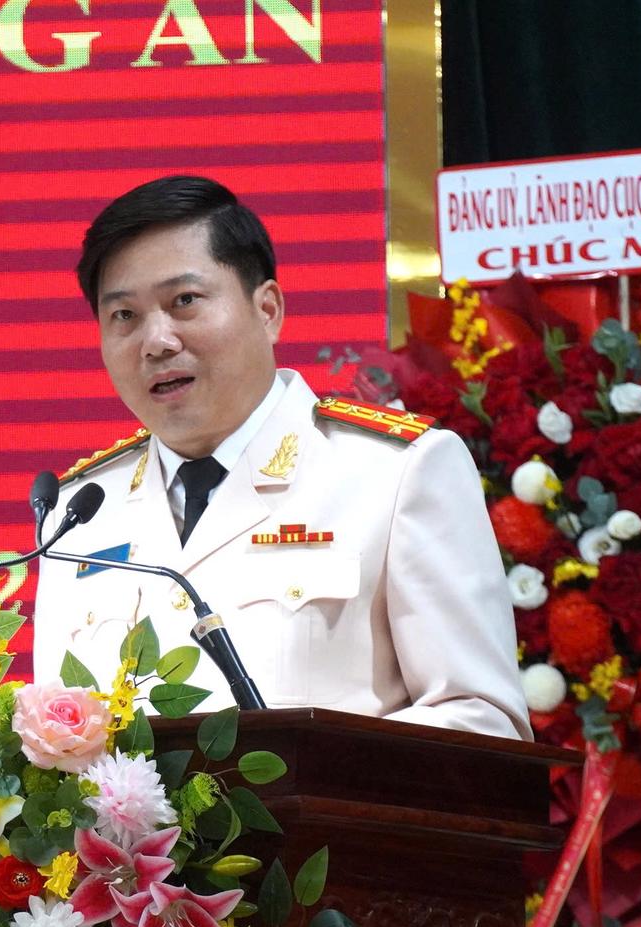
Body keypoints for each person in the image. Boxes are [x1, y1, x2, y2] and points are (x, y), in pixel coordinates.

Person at [32, 175, 531, 741]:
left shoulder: (397, 473)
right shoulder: (78, 511)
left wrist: (306, 776)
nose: (157, 341)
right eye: (124, 316)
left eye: (184, 301)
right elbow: (54, 738)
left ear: (267, 310)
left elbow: (483, 720)